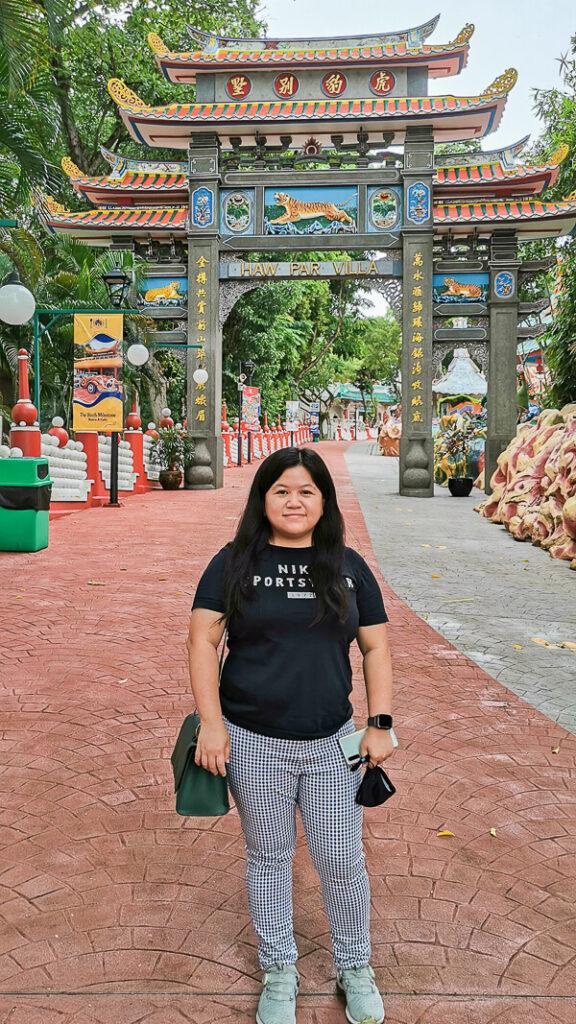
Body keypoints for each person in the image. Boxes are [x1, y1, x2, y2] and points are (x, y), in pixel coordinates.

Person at [186, 447, 395, 1024]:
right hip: (252, 740)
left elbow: (375, 646)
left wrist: (380, 724)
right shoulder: (232, 563)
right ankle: (280, 968)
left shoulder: (348, 567)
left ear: (324, 501)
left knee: (341, 859)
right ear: (263, 499)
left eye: (307, 491)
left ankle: (356, 966)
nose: (294, 501)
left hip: (332, 743)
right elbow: (203, 641)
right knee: (268, 856)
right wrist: (211, 722)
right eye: (281, 490)